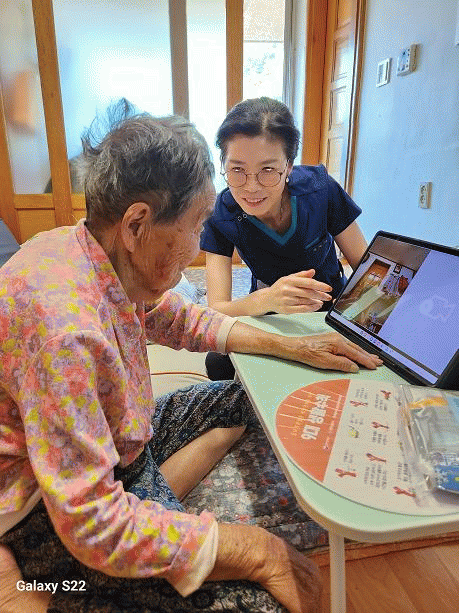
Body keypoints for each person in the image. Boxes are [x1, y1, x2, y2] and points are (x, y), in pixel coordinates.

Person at [0, 100, 381, 613]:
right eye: (197, 222)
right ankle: (46, 583)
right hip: (37, 505)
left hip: (112, 440)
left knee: (243, 399)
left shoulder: (85, 246)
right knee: (260, 604)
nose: (202, 240)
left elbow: (180, 317)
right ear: (137, 224)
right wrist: (256, 549)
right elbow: (92, 522)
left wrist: (294, 346)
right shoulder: (66, 334)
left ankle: (152, 493)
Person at [200, 96, 368, 380]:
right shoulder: (221, 214)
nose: (251, 187)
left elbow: (366, 270)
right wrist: (267, 299)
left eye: (267, 170)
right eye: (237, 170)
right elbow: (216, 311)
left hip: (328, 311)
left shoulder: (320, 190)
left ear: (289, 166)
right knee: (218, 363)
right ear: (223, 165)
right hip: (268, 313)